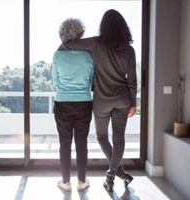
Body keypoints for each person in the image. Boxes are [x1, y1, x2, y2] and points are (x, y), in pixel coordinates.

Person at [59, 9, 137, 192]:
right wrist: (134, 103)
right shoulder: (130, 50)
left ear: (104, 27)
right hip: (123, 99)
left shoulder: (95, 43)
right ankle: (115, 174)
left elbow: (68, 45)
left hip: (102, 100)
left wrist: (60, 49)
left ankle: (114, 174)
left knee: (102, 137)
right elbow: (132, 80)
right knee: (119, 139)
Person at [52, 18, 94, 192]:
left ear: (63, 34)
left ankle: (66, 182)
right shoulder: (88, 55)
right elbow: (92, 81)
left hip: (63, 103)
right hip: (84, 102)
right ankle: (82, 181)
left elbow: (56, 82)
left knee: (65, 143)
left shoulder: (58, 55)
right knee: (81, 143)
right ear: (81, 34)